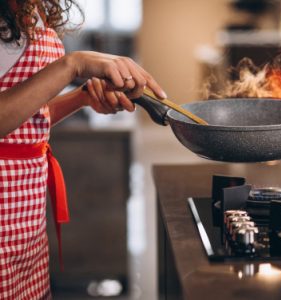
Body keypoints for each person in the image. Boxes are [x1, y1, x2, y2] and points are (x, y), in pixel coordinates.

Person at [0, 1, 166, 298]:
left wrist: (82, 97)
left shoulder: (30, 10)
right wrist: (71, 65)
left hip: (27, 224)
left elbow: (26, 117)